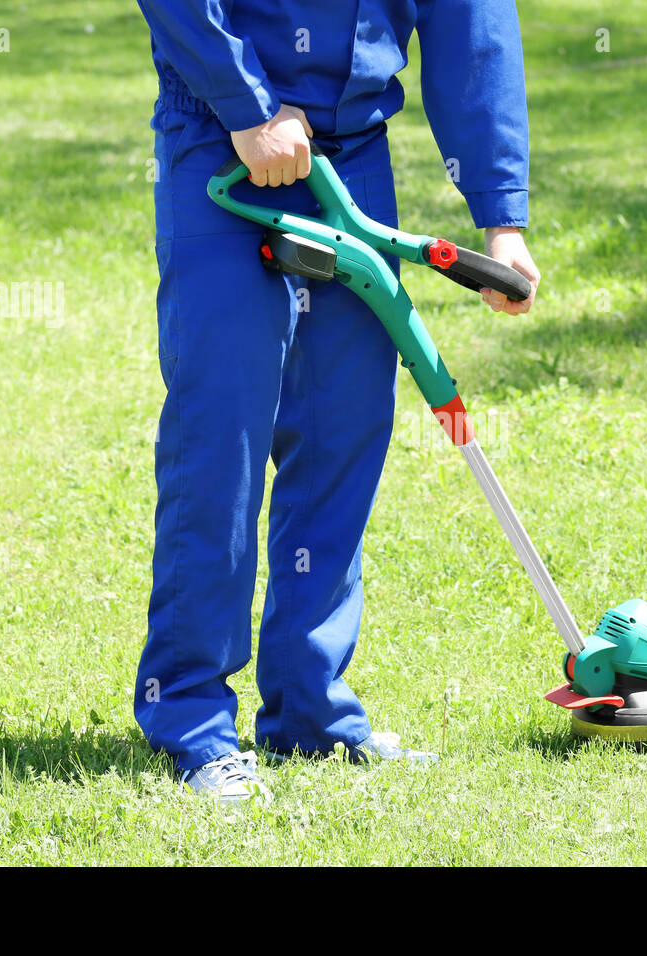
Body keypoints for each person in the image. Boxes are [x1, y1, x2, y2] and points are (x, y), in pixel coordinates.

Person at [133, 0, 540, 804]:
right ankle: (190, 718)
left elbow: (473, 22)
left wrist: (501, 215)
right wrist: (247, 107)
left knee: (341, 433)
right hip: (222, 142)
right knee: (224, 437)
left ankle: (309, 715)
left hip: (350, 158)